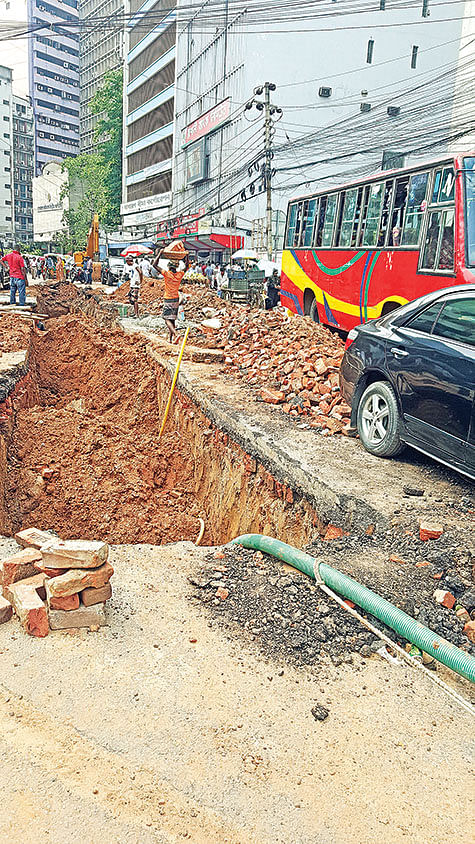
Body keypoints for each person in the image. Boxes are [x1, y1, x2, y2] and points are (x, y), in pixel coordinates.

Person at [155, 250, 189, 343]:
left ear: (169, 266)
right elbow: (187, 266)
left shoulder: (167, 274)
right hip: (176, 299)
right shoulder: (179, 275)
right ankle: (171, 339)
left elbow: (154, 264)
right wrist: (186, 256)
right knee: (172, 319)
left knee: (166, 319)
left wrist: (160, 253)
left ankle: (176, 334)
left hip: (168, 299)